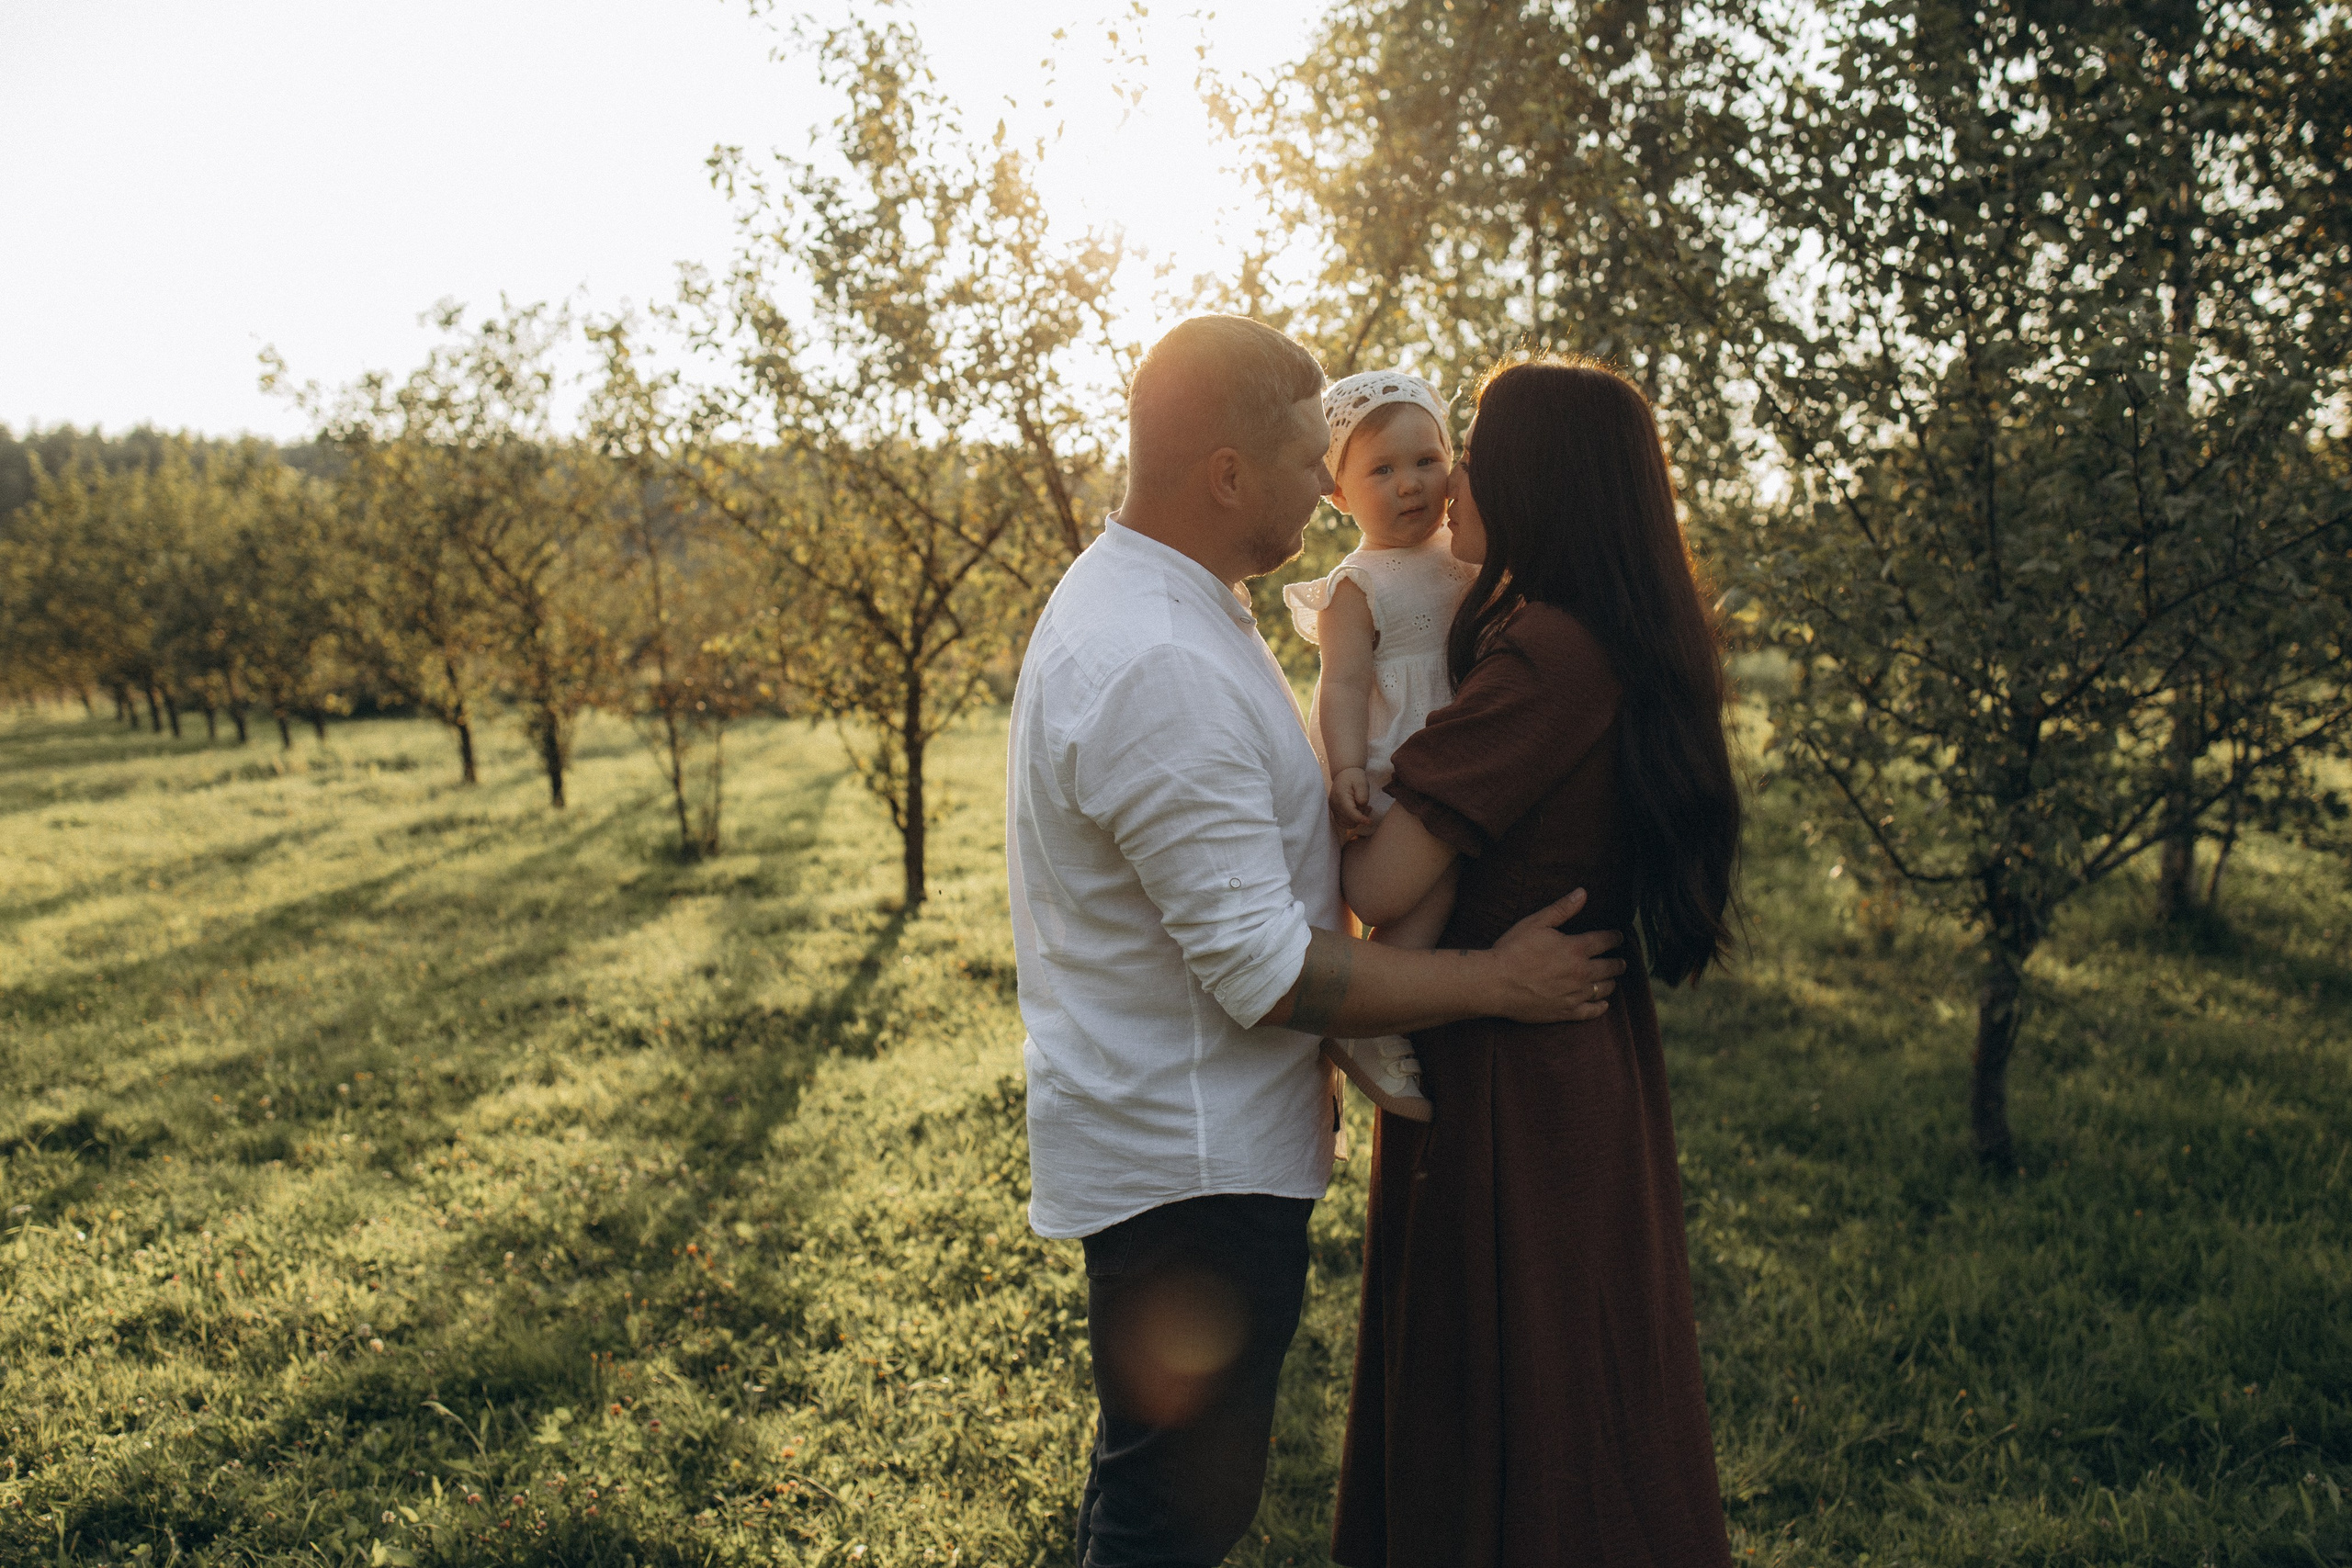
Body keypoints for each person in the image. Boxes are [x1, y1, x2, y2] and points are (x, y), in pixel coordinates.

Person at [1005, 317, 1631, 1568]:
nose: (1326, 487)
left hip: (1186, 1134)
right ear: (1228, 473)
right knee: (1173, 1515)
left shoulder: (1173, 602)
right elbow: (1266, 970)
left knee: (1157, 1493)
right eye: (1309, 460)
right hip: (1192, 1162)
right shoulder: (1159, 658)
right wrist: (1494, 980)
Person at [1330, 355, 1743, 1568]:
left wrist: (1323, 790)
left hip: (1509, 1075)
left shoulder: (1544, 657)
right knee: (1585, 1386)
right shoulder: (1600, 635)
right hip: (1577, 1053)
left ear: (1536, 483)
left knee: (1516, 1400)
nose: (1448, 484)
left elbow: (1379, 887)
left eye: (1470, 458)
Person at [1282, 370, 1479, 1122]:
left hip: (1457, 758)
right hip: (1394, 765)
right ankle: (1369, 1011)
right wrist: (1346, 769)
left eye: (1427, 460)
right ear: (1338, 494)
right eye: (1382, 470)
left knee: (1451, 881)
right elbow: (1339, 686)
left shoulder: (1465, 552)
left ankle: (1379, 998)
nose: (1410, 484)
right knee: (1428, 885)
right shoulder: (1356, 584)